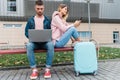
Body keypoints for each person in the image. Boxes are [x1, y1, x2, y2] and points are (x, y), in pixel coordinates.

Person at [25, 0, 54, 79]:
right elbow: (26, 32)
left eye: (41, 8)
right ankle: (34, 70)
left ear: (43, 8)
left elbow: (50, 32)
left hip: (45, 43)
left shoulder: (47, 20)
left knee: (51, 44)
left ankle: (47, 69)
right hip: (34, 43)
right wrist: (31, 37)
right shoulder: (30, 20)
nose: (40, 10)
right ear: (35, 8)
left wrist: (49, 37)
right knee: (29, 45)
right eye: (38, 8)